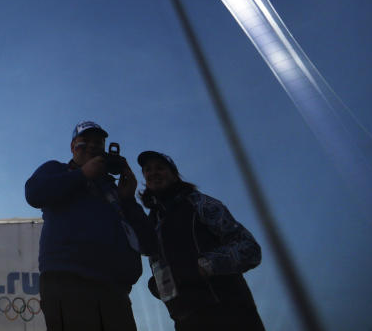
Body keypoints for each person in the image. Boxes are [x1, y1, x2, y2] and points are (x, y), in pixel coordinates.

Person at [24, 121, 152, 331]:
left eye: (98, 143)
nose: (92, 146)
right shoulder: (57, 169)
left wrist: (129, 200)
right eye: (85, 141)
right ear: (73, 146)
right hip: (68, 281)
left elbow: (148, 243)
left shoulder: (112, 189)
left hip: (115, 290)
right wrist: (82, 174)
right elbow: (33, 193)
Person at [137, 151, 265, 330]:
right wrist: (159, 285)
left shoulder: (201, 204)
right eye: (147, 170)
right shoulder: (152, 224)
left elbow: (250, 250)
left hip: (231, 314)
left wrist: (203, 266)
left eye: (160, 168)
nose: (153, 173)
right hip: (185, 322)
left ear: (174, 175)